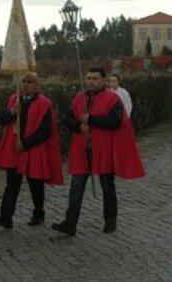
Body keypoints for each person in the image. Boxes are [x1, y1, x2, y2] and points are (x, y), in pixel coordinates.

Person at [52, 68, 145, 236]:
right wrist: (79, 126)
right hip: (82, 149)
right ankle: (70, 223)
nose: (90, 81)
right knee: (76, 186)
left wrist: (92, 120)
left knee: (107, 186)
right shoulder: (80, 98)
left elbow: (116, 120)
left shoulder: (112, 99)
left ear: (103, 80)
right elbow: (67, 118)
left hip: (103, 149)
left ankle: (110, 219)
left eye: (94, 78)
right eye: (88, 78)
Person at [0, 72, 63, 229]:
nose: (26, 84)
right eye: (24, 81)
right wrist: (12, 112)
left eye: (30, 82)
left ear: (37, 85)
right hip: (15, 149)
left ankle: (38, 213)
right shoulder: (14, 99)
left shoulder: (45, 104)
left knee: (35, 184)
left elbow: (45, 131)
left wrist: (26, 144)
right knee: (12, 184)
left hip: (32, 149)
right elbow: (2, 119)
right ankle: (6, 217)